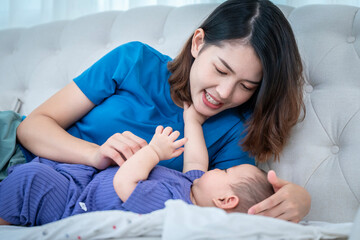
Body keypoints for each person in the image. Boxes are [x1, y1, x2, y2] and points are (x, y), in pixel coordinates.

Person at [0, 0, 310, 222]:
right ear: (198, 43)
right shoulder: (135, 61)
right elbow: (31, 128)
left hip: (57, 197)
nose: (225, 93)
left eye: (247, 86)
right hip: (14, 150)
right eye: (221, 69)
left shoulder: (233, 129)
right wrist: (95, 155)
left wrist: (301, 201)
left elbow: (236, 207)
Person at [0, 104, 274, 226]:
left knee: (31, 179)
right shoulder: (192, 185)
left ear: (225, 199)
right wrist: (193, 121)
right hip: (85, 179)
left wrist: (155, 151)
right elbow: (195, 160)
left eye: (225, 172)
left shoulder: (175, 206)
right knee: (44, 167)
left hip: (74, 203)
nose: (217, 168)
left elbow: (125, 183)